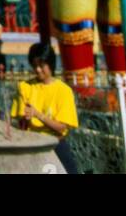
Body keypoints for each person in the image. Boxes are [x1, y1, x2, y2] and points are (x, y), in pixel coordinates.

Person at [12, 42, 80, 174]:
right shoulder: (25, 87)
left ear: (51, 64)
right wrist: (24, 119)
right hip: (31, 145)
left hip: (55, 145)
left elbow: (62, 128)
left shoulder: (63, 91)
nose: (37, 69)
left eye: (41, 65)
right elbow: (18, 122)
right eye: (34, 65)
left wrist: (38, 115)